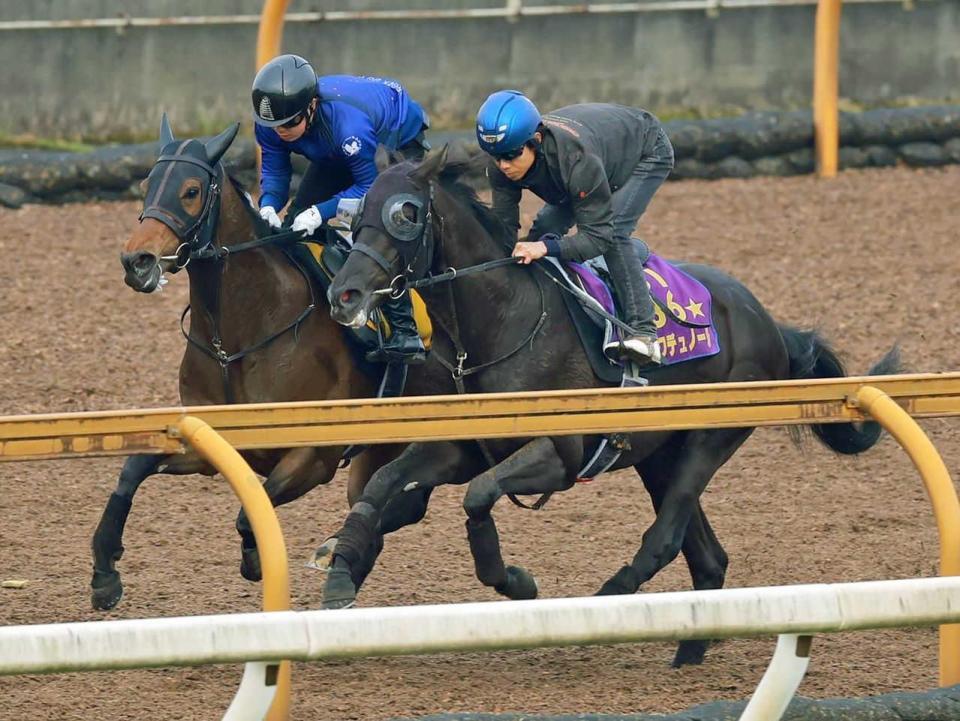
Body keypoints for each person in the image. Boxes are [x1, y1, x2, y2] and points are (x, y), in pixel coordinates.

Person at [252, 53, 431, 363]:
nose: (281, 131)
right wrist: (267, 205)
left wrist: (322, 211)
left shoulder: (350, 127)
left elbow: (369, 190)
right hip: (335, 149)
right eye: (275, 125)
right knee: (293, 225)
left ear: (311, 106)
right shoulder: (272, 125)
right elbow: (276, 172)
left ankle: (405, 330)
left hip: (392, 139)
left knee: (382, 229)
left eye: (290, 122)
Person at [476, 90, 675, 367]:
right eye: (496, 157)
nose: (504, 165)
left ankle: (643, 333)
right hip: (588, 160)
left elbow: (599, 236)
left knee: (615, 233)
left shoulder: (577, 162)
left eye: (511, 155)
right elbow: (504, 225)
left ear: (536, 140)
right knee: (544, 227)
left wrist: (545, 247)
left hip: (644, 152)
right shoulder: (504, 160)